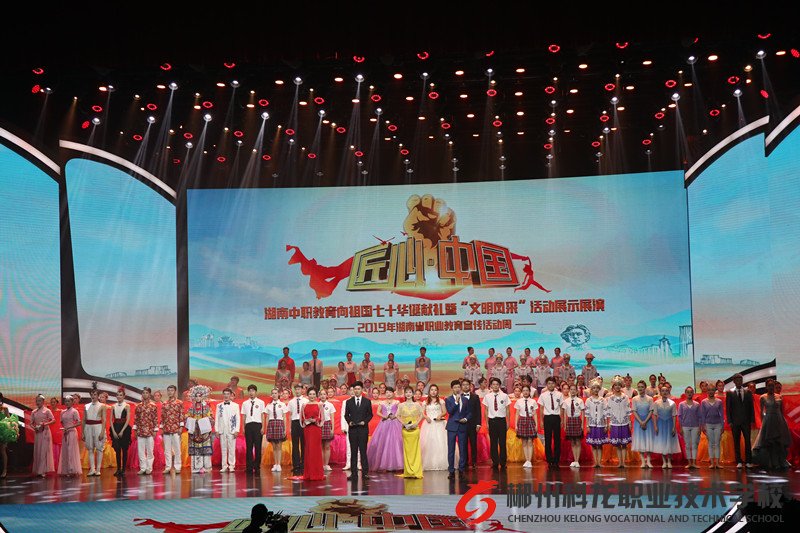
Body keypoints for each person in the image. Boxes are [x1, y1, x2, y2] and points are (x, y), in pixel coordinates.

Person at [752, 379, 791, 470]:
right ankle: (773, 462)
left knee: (779, 442)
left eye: (772, 386)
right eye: (769, 386)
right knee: (770, 442)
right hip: (768, 421)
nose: (771, 387)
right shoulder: (763, 397)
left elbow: (782, 411)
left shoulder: (779, 396)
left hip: (779, 420)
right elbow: (761, 412)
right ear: (766, 387)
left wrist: (783, 422)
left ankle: (781, 460)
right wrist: (763, 423)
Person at [367, 387, 403, 471]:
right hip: (384, 423)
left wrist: (395, 416)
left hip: (395, 423)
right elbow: (378, 412)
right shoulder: (382, 402)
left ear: (393, 393)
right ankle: (383, 464)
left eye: (390, 392)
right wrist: (384, 416)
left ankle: (396, 464)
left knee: (396, 442)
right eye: (387, 392)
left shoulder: (397, 402)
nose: (388, 394)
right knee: (382, 442)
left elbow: (400, 411)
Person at [344, 381, 372, 479]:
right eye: (355, 389)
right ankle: (354, 474)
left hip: (363, 430)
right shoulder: (349, 402)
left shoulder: (367, 401)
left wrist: (365, 421)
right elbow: (346, 415)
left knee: (363, 452)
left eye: (358, 389)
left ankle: (365, 473)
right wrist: (349, 422)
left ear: (362, 390)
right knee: (353, 452)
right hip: (353, 430)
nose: (356, 391)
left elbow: (370, 415)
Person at [726, 373, 755, 468]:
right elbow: (728, 408)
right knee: (736, 441)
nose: (739, 382)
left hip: (746, 421)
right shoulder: (730, 392)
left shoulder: (748, 392)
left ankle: (748, 461)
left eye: (740, 380)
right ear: (734, 381)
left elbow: (751, 407)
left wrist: (752, 419)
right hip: (735, 422)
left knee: (747, 441)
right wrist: (730, 421)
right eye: (737, 380)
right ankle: (738, 461)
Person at [445, 379, 470, 478]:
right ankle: (451, 470)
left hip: (462, 426)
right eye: (455, 387)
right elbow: (450, 411)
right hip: (452, 427)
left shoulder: (465, 399)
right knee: (451, 449)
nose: (457, 389)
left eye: (458, 387)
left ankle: (461, 469)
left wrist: (466, 418)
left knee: (463, 449)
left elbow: (469, 412)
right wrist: (456, 402)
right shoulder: (448, 399)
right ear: (452, 388)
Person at [420, 384, 448, 471]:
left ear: (437, 391)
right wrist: (426, 417)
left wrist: (440, 415)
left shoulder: (441, 401)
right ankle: (429, 463)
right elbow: (422, 413)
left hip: (439, 423)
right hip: (429, 423)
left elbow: (444, 411)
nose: (433, 391)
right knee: (429, 442)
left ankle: (441, 462)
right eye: (432, 390)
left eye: (435, 390)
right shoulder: (425, 402)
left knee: (441, 442)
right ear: (429, 391)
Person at [187, 385, 214, 474]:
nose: (198, 398)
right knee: (196, 450)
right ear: (194, 397)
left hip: (204, 433)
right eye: (196, 396)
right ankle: (196, 467)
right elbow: (186, 418)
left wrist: (204, 421)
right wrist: (193, 421)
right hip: (195, 433)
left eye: (200, 396)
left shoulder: (207, 408)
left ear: (203, 397)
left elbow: (211, 418)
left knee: (205, 449)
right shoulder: (191, 408)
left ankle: (207, 467)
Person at [483, 377, 509, 470]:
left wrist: (508, 422)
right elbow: (486, 410)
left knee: (502, 443)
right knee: (493, 443)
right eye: (493, 384)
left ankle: (503, 462)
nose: (495, 386)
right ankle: (495, 462)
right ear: (491, 386)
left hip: (502, 421)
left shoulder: (504, 396)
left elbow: (507, 409)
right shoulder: (487, 396)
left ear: (499, 385)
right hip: (492, 421)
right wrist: (487, 423)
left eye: (497, 384)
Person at [606, 376, 632, 468]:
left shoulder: (625, 397)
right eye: (615, 385)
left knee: (624, 444)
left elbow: (628, 409)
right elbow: (608, 411)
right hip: (615, 423)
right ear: (613, 387)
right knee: (617, 444)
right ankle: (620, 462)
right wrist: (609, 423)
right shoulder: (610, 398)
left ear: (621, 386)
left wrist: (629, 421)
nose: (617, 387)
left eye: (619, 385)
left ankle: (623, 462)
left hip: (624, 422)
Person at [652, 385, 680, 468]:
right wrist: (655, 426)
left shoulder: (672, 403)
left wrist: (674, 427)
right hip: (660, 423)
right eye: (663, 391)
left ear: (668, 392)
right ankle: (664, 461)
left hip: (669, 423)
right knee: (662, 442)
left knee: (669, 441)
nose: (664, 392)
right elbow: (654, 415)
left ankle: (669, 461)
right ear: (660, 392)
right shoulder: (656, 403)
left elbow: (674, 415)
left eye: (666, 391)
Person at [299, 387, 324, 481]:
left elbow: (322, 418)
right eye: (310, 394)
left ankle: (317, 474)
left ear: (316, 395)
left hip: (316, 429)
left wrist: (316, 420)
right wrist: (307, 421)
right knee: (308, 449)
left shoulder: (319, 405)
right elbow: (301, 418)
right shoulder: (304, 405)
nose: (312, 396)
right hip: (308, 429)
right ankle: (309, 474)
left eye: (313, 394)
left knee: (316, 450)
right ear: (307, 395)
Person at [398, 387, 423, 478]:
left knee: (416, 450)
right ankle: (408, 472)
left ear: (412, 394)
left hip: (415, 429)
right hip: (406, 430)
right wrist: (404, 423)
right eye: (406, 392)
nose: (408, 394)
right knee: (407, 451)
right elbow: (397, 416)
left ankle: (416, 471)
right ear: (404, 394)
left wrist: (416, 423)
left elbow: (421, 415)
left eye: (410, 392)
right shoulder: (401, 405)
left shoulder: (417, 404)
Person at [538, 377, 563, 468]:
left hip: (556, 417)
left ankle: (556, 460)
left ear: (555, 384)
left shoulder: (559, 394)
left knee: (557, 440)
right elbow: (541, 408)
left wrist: (562, 420)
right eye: (549, 383)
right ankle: (549, 460)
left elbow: (561, 408)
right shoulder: (543, 395)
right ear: (546, 385)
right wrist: (541, 421)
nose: (551, 385)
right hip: (547, 418)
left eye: (552, 383)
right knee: (547, 439)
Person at [241, 384, 266, 474]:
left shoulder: (261, 402)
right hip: (248, 425)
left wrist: (263, 427)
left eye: (253, 391)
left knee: (258, 447)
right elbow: (244, 416)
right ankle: (249, 466)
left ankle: (257, 466)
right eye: (250, 391)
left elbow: (262, 415)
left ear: (256, 392)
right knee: (249, 447)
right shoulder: (245, 403)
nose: (251, 393)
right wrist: (243, 428)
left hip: (258, 425)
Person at [160, 385, 184, 474]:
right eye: (169, 390)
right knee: (167, 450)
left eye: (172, 390)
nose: (170, 392)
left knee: (177, 449)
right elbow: (162, 416)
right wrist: (161, 428)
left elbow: (181, 415)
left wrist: (181, 427)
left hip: (176, 429)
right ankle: (168, 467)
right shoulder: (164, 403)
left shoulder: (179, 403)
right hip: (166, 429)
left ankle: (178, 466)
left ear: (175, 392)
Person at [134, 387, 158, 475]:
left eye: (146, 393)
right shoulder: (138, 406)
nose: (145, 394)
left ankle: (149, 468)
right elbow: (136, 419)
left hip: (150, 431)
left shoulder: (153, 406)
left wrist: (155, 430)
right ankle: (143, 468)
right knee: (141, 450)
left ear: (149, 394)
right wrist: (135, 429)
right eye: (143, 393)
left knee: (150, 451)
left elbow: (155, 419)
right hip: (140, 431)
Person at [82, 388, 106, 476]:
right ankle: (92, 469)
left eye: (95, 394)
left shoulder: (102, 405)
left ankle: (98, 469)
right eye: (92, 394)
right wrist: (82, 432)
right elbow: (84, 419)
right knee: (90, 448)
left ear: (98, 396)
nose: (93, 396)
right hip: (88, 427)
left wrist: (102, 432)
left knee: (99, 448)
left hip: (98, 427)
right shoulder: (86, 406)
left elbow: (104, 419)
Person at [216, 387, 240, 472]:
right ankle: (224, 465)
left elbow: (237, 418)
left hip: (231, 429)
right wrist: (217, 430)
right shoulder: (219, 406)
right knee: (223, 448)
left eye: (228, 394)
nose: (226, 396)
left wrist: (237, 430)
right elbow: (217, 418)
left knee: (231, 448)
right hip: (222, 429)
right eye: (225, 394)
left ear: (230, 395)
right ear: (223, 395)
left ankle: (231, 465)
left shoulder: (235, 405)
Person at [56, 395, 81, 477]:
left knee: (71, 450)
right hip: (65, 432)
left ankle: (73, 469)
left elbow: (79, 422)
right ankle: (66, 470)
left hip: (72, 432)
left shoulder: (74, 411)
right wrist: (64, 428)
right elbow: (62, 422)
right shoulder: (62, 412)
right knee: (65, 450)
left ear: (72, 402)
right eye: (66, 401)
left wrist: (69, 427)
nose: (67, 403)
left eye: (69, 401)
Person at [631, 380, 654, 468]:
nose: (640, 389)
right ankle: (643, 462)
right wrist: (641, 422)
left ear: (645, 388)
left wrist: (645, 421)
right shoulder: (635, 399)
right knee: (640, 441)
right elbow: (634, 411)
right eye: (639, 387)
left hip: (648, 422)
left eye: (642, 387)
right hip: (638, 422)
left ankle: (648, 461)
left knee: (648, 440)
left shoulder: (650, 399)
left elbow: (651, 411)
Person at [700, 387, 724, 469]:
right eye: (709, 390)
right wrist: (703, 425)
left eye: (712, 390)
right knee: (710, 443)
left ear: (714, 391)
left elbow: (721, 414)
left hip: (717, 424)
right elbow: (703, 415)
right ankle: (712, 463)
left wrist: (722, 425)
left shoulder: (719, 401)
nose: (711, 392)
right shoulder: (704, 402)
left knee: (717, 443)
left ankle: (717, 463)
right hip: (708, 424)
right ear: (707, 391)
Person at [31, 394, 55, 477]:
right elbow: (31, 423)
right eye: (37, 401)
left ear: (43, 401)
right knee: (38, 450)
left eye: (39, 401)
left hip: (45, 432)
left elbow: (53, 420)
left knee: (44, 450)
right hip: (38, 433)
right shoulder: (34, 412)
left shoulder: (47, 411)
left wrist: (45, 424)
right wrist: (34, 428)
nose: (38, 402)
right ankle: (38, 470)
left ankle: (43, 470)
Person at [584, 380, 607, 467]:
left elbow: (605, 413)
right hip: (592, 424)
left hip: (601, 424)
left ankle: (599, 462)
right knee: (593, 444)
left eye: (597, 388)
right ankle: (595, 462)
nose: (596, 390)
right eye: (594, 388)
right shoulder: (588, 400)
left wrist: (606, 425)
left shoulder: (603, 400)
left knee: (600, 444)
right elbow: (587, 414)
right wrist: (587, 425)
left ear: (599, 389)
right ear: (591, 389)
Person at [110, 387, 132, 477]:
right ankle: (118, 469)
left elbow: (128, 419)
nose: (119, 396)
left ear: (124, 396)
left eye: (121, 395)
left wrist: (122, 431)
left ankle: (123, 469)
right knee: (117, 449)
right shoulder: (113, 406)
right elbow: (111, 420)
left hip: (124, 429)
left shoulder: (127, 406)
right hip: (115, 427)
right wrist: (113, 431)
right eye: (118, 395)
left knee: (124, 449)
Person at [459, 379, 481, 469]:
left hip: (473, 424)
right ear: (461, 387)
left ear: (470, 386)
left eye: (467, 384)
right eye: (463, 385)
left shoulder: (475, 397)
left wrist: (478, 424)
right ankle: (465, 462)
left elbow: (478, 411)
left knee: (473, 443)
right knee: (463, 444)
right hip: (462, 424)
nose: (465, 386)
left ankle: (474, 462)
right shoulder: (459, 397)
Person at [514, 385, 537, 468]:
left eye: (527, 390)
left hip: (530, 420)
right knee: (524, 441)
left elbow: (535, 414)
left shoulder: (533, 401)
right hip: (522, 421)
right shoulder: (519, 401)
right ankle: (526, 460)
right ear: (522, 392)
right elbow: (517, 414)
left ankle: (529, 460)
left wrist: (536, 425)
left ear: (529, 391)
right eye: (524, 390)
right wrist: (516, 425)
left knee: (530, 441)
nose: (525, 392)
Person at [562, 383, 585, 468]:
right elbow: (564, 414)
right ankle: (574, 460)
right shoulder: (566, 401)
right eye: (571, 389)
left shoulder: (580, 401)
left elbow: (583, 413)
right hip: (570, 421)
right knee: (572, 442)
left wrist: (582, 424)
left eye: (574, 389)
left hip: (577, 420)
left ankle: (577, 460)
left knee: (578, 441)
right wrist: (565, 424)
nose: (572, 391)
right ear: (569, 391)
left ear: (577, 391)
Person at [678, 386, 701, 469]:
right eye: (687, 392)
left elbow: (699, 417)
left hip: (695, 426)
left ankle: (694, 463)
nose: (689, 394)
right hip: (685, 426)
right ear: (685, 393)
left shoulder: (697, 404)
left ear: (693, 393)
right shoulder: (681, 404)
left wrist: (700, 427)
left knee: (694, 444)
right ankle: (689, 463)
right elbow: (679, 416)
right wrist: (681, 427)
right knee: (687, 445)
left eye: (691, 392)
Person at [266, 388, 287, 472]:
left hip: (279, 424)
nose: (274, 395)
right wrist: (266, 428)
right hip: (271, 424)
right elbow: (267, 417)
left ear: (278, 394)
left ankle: (279, 464)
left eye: (276, 393)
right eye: (273, 393)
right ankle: (275, 464)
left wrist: (285, 428)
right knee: (274, 446)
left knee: (279, 445)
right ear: (271, 395)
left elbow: (284, 417)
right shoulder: (269, 405)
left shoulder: (282, 404)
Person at [0, 393, 20, 478]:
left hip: (3, 432)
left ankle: (5, 470)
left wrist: (16, 431)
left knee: (2, 450)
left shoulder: (4, 408)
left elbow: (10, 421)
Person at [319, 389, 336, 472]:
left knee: (327, 446)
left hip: (327, 424)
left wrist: (332, 429)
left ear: (326, 395)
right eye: (321, 394)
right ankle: (321, 464)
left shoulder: (330, 405)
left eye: (324, 394)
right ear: (319, 396)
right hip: (319, 425)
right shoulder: (317, 404)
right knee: (321, 446)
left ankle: (326, 464)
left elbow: (332, 418)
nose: (323, 396)